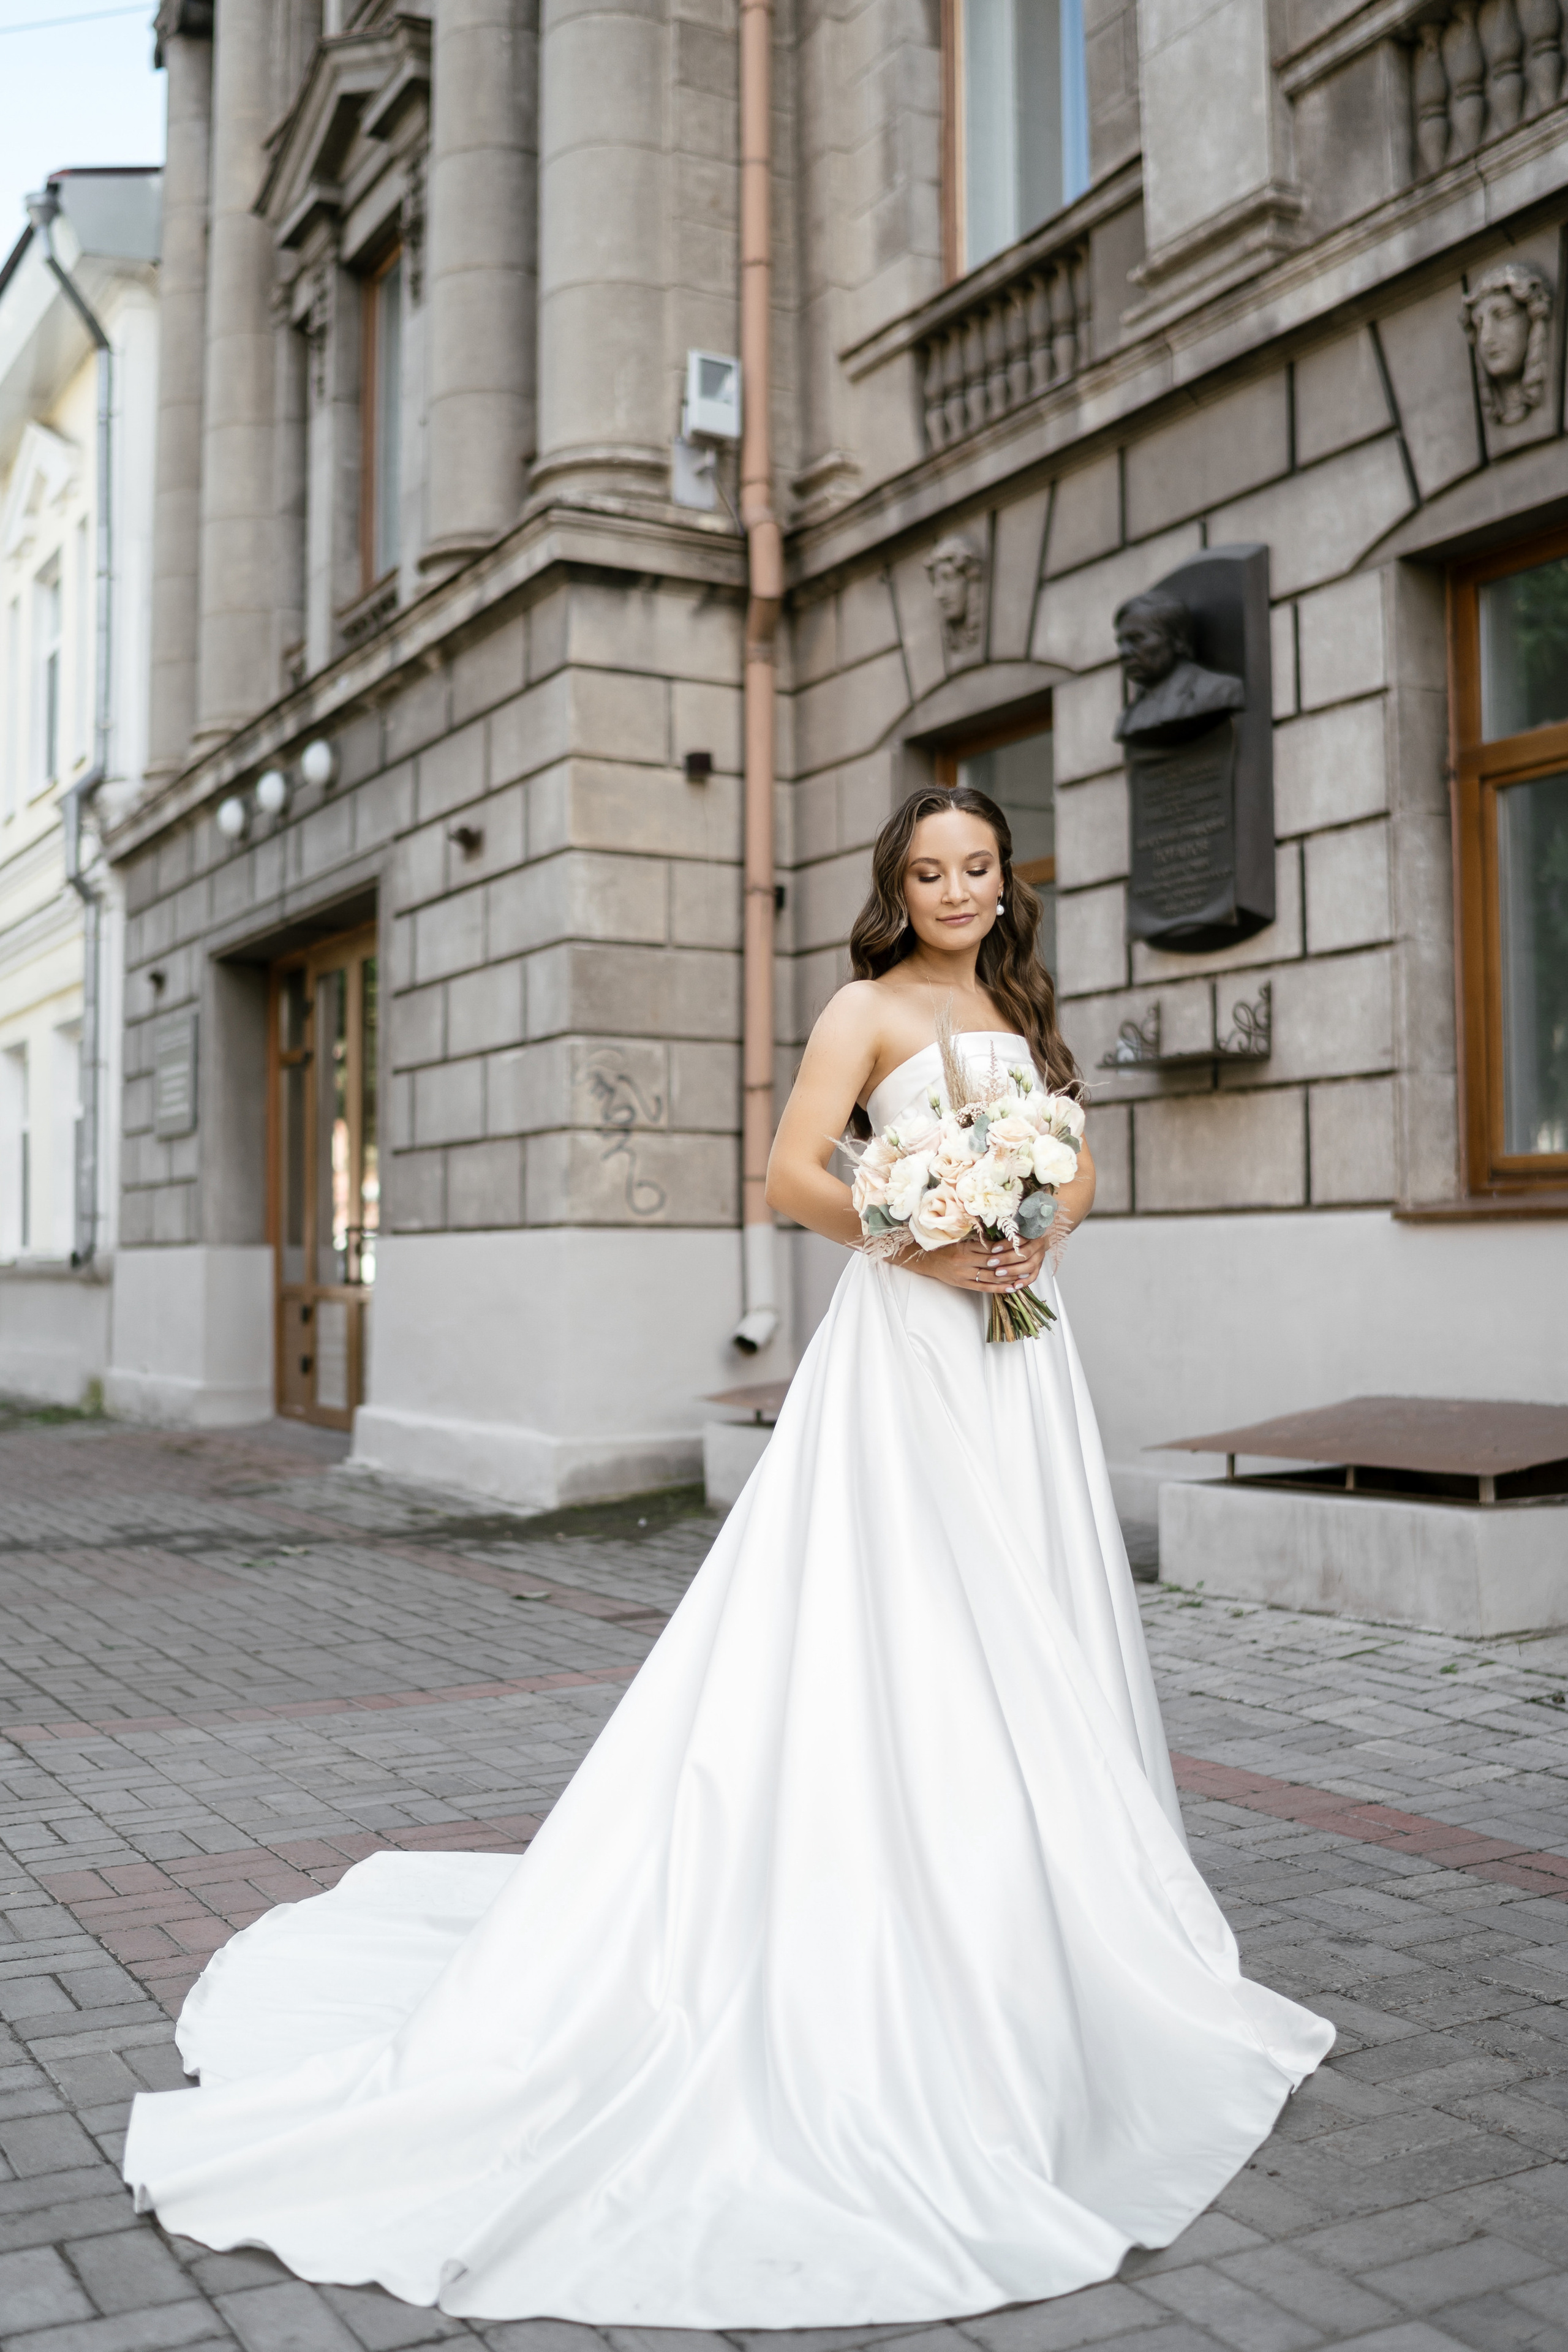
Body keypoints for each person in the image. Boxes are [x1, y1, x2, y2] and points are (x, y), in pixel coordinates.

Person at [123, 785, 1333, 2326]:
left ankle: (1051, 1900)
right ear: (894, 888)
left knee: (1028, 1610)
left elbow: (1075, 1166)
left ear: (1004, 885)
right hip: (905, 1344)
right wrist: (924, 1236)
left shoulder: (1021, 1007)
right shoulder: (863, 1006)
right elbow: (788, 1175)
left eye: (977, 868)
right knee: (904, 1614)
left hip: (1019, 1350)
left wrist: (1033, 1230)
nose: (955, 888)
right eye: (928, 870)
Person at [1112, 586, 1245, 742]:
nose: (1124, 653)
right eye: (1121, 643)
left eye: (1137, 639)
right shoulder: (1128, 718)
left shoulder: (1221, 691)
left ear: (1178, 640)